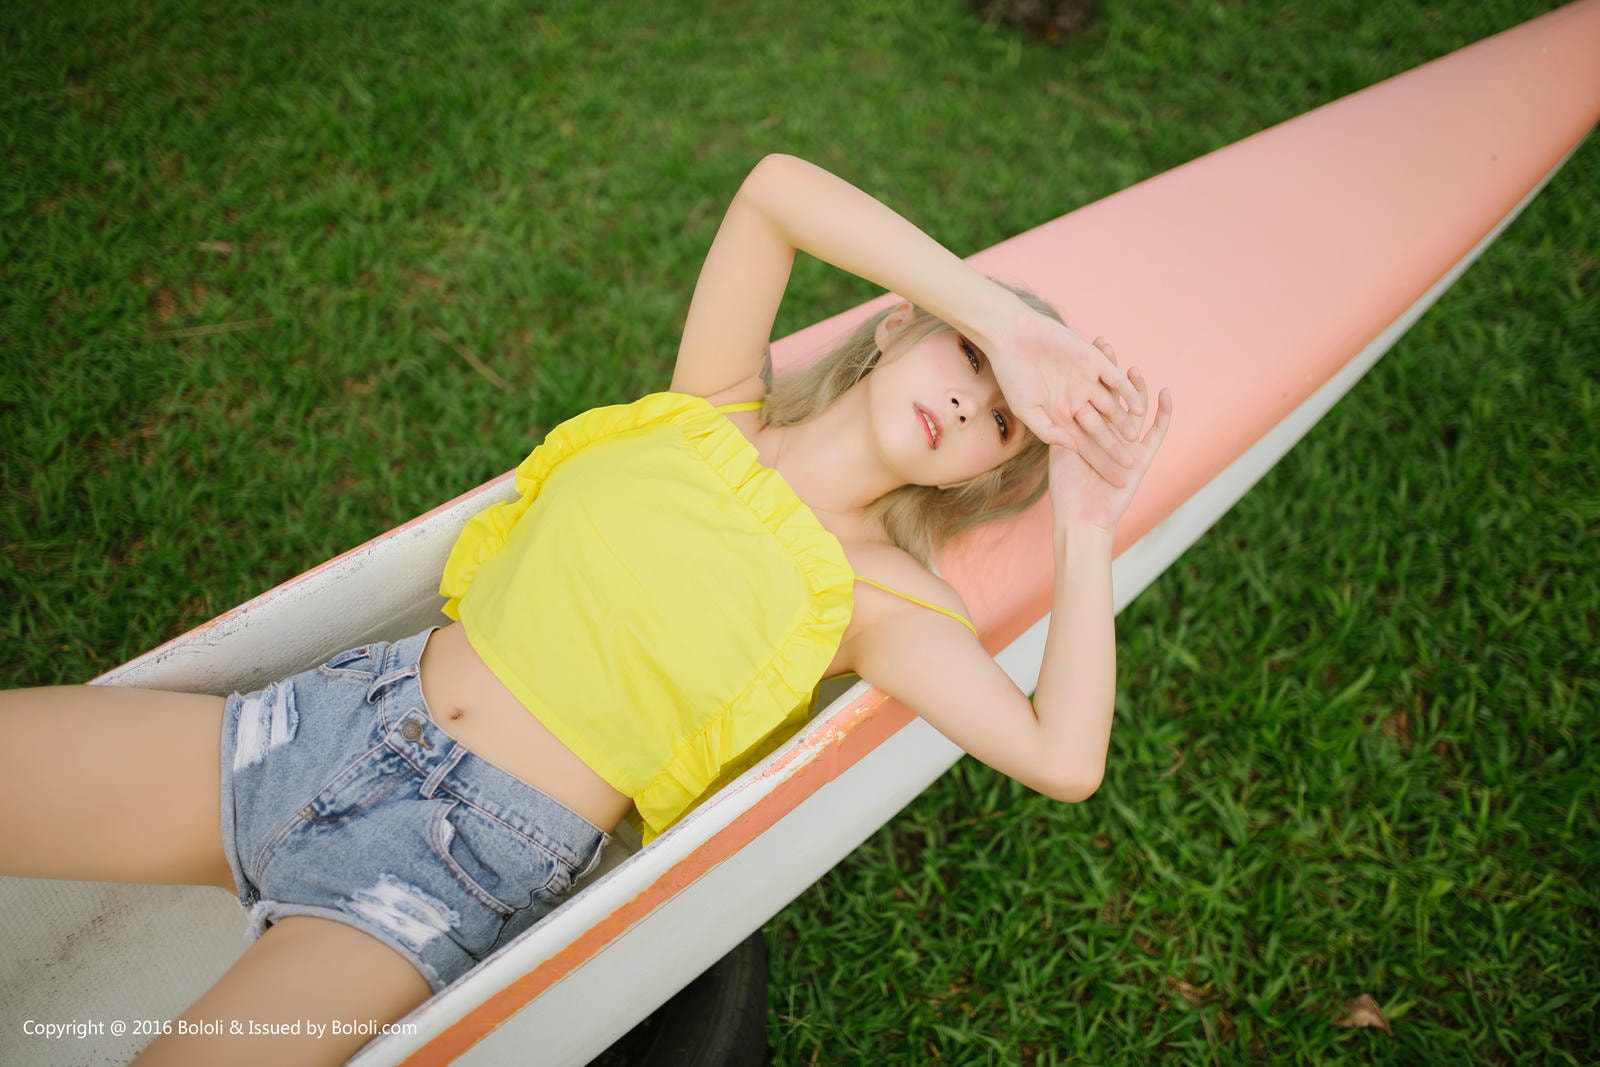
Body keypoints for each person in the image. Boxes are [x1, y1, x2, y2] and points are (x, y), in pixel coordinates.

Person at [0, 153, 1172, 1065]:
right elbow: (774, 191)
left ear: (984, 473)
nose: (970, 402)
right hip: (324, 720)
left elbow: (1062, 755)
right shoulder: (709, 406)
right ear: (898, 319)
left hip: (449, 866)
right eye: (966, 356)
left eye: (1001, 421)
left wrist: (1084, 517)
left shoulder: (875, 597)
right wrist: (1008, 322)